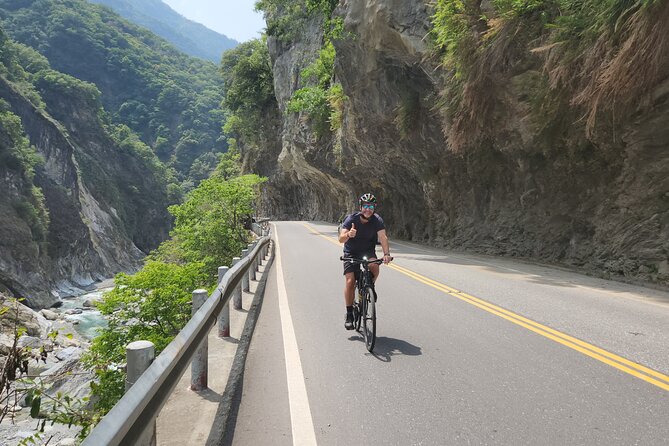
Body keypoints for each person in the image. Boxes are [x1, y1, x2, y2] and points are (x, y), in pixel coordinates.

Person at [338, 193, 392, 330]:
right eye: (366, 206)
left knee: (375, 266)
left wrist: (386, 254)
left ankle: (370, 286)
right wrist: (349, 235)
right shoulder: (351, 219)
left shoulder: (377, 220)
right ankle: (349, 314)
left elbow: (383, 237)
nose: (368, 209)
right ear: (361, 207)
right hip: (351, 252)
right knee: (350, 282)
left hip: (368, 252)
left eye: (371, 207)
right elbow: (341, 239)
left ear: (374, 208)